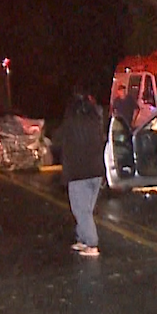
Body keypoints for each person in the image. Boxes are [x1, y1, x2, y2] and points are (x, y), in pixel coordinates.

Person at [54, 89, 107, 257]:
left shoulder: (70, 122)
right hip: (96, 172)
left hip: (79, 173)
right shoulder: (95, 121)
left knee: (81, 210)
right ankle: (82, 238)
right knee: (86, 209)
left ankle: (91, 243)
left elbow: (57, 140)